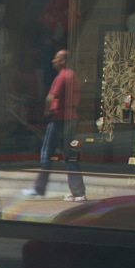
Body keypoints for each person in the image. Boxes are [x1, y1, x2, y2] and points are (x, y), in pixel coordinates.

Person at [21, 49, 86, 202]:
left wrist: (46, 111)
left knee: (46, 153)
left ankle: (38, 189)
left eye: (56, 58)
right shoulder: (73, 76)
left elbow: (50, 97)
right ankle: (78, 192)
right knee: (70, 156)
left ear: (63, 60)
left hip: (59, 118)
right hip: (71, 118)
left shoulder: (62, 76)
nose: (53, 61)